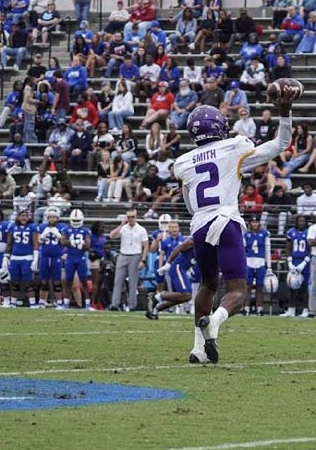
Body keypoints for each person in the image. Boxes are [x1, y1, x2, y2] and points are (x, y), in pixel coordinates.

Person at [172, 79, 298, 363]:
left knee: (207, 285)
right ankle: (215, 321)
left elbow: (190, 204)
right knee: (238, 291)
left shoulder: (183, 162)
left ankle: (198, 349)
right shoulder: (235, 146)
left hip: (200, 225)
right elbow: (281, 144)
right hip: (226, 219)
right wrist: (284, 111)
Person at [109, 208, 148, 311]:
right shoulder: (123, 228)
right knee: (118, 281)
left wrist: (143, 260)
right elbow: (112, 235)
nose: (131, 219)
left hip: (135, 255)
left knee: (132, 282)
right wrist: (121, 225)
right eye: (129, 217)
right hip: (123, 255)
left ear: (136, 217)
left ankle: (132, 305)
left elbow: (145, 245)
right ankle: (115, 304)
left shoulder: (141, 229)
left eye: (132, 217)